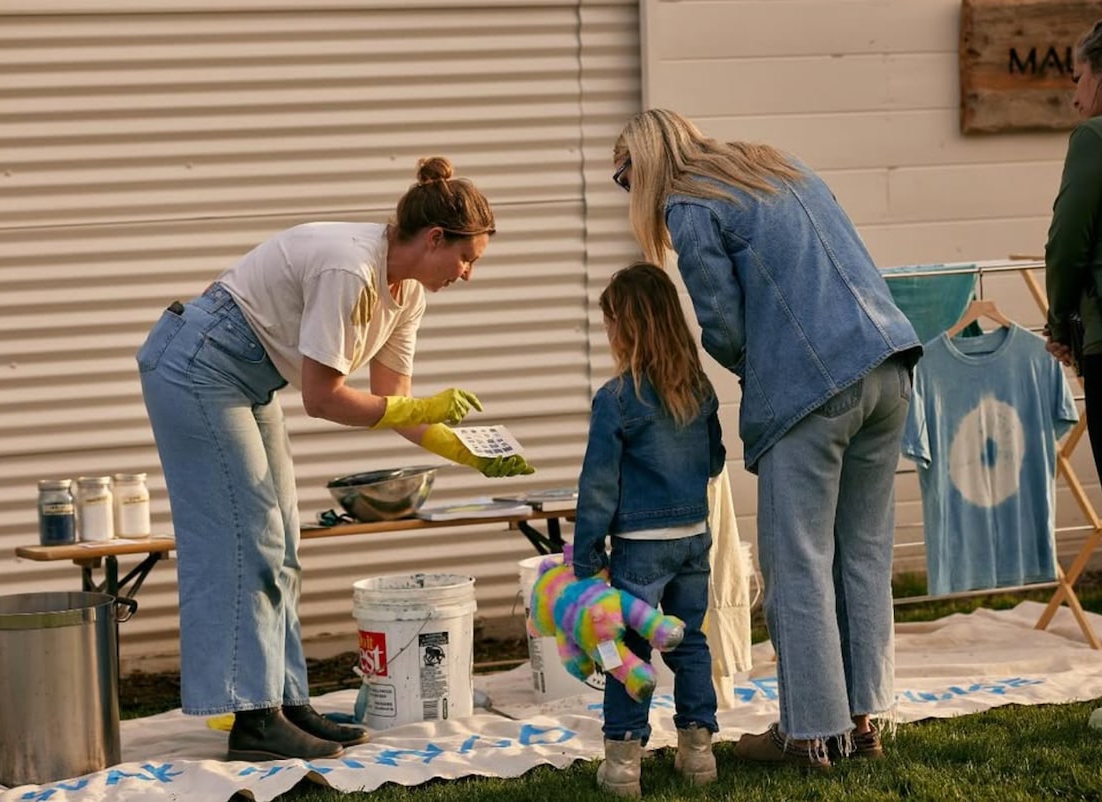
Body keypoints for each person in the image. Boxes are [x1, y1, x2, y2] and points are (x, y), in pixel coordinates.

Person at [136, 156, 534, 762]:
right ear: (434, 239)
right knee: (247, 541)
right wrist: (420, 408)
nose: (468, 274)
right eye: (466, 258)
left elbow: (394, 402)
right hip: (197, 366)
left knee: (282, 544)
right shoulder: (351, 268)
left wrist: (463, 451)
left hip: (249, 378)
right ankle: (253, 721)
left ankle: (286, 703)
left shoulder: (407, 295)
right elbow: (324, 399)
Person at [612, 109, 921, 769]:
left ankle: (808, 735)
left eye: (623, 177)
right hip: (890, 363)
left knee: (798, 561)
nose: (627, 191)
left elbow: (723, 324)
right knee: (861, 555)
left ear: (645, 164)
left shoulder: (690, 203)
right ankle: (863, 724)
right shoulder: (774, 165)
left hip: (814, 388)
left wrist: (760, 371)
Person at [572, 262, 726, 797]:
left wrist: (586, 558)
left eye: (609, 322)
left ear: (626, 327)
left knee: (627, 650)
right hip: (693, 538)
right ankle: (699, 754)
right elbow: (714, 461)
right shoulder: (700, 390)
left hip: (639, 551)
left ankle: (623, 766)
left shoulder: (615, 398)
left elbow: (598, 487)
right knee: (690, 641)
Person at [1045, 18, 1102, 474]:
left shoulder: (1093, 138)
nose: (1075, 97)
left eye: (1078, 78)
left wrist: (1060, 323)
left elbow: (1067, 244)